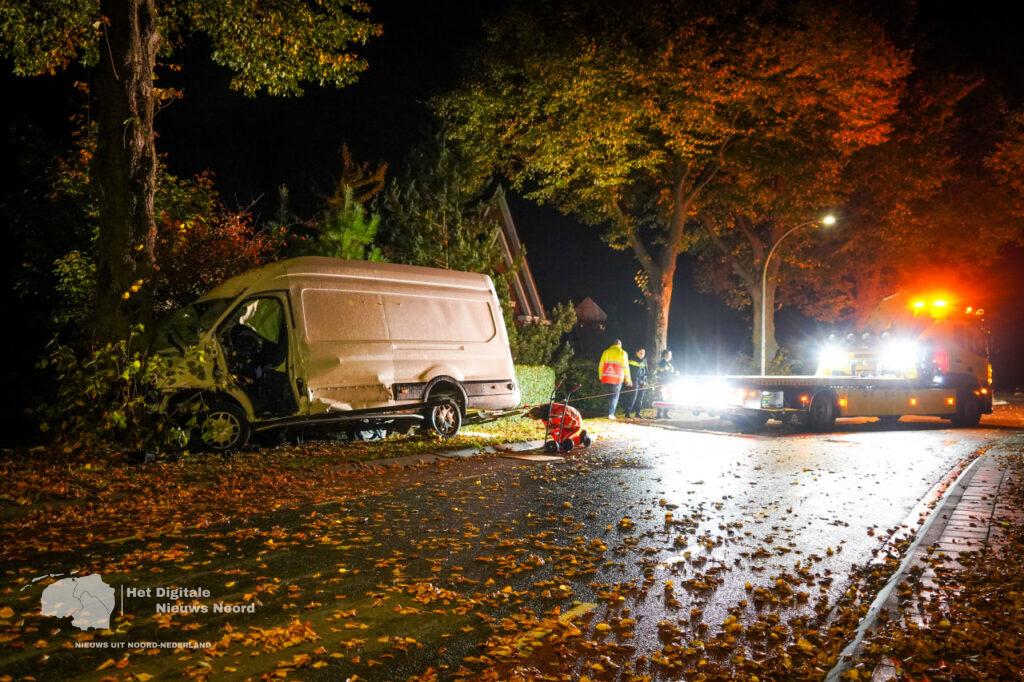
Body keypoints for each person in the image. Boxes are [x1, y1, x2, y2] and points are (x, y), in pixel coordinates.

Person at [598, 339, 631, 419]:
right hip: (617, 379)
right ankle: (611, 414)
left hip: (606, 378)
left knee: (608, 396)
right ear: (620, 344)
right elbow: (626, 367)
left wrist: (600, 377)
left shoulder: (606, 352)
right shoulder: (623, 353)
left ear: (613, 344)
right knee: (614, 396)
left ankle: (605, 412)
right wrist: (628, 380)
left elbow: (601, 365)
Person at [625, 347, 648, 418]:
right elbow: (631, 373)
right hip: (634, 382)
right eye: (641, 353)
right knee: (632, 398)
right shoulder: (631, 361)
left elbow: (646, 373)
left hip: (642, 383)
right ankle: (627, 413)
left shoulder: (644, 361)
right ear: (636, 352)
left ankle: (638, 413)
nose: (642, 354)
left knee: (640, 399)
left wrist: (645, 381)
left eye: (643, 353)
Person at [655, 349, 675, 419]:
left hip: (669, 383)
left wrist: (675, 374)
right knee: (661, 398)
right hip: (662, 383)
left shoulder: (669, 364)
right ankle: (659, 414)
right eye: (670, 354)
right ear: (665, 355)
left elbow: (671, 374)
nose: (671, 356)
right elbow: (658, 373)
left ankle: (665, 413)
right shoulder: (661, 363)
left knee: (668, 399)